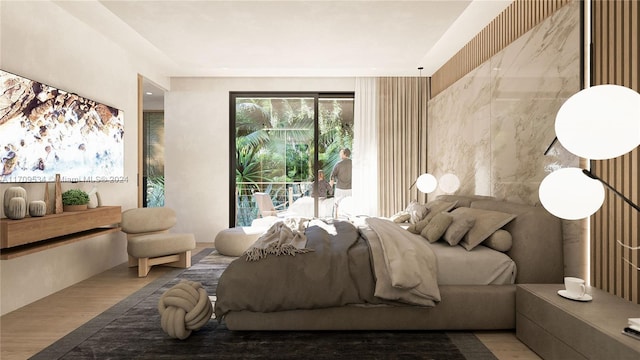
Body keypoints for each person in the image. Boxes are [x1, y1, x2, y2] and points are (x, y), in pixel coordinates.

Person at [330, 148, 352, 217]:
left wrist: (330, 188)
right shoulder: (353, 163)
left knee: (337, 205)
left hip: (340, 189)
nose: (340, 154)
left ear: (345, 154)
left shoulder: (338, 164)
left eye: (341, 153)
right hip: (350, 189)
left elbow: (332, 177)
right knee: (349, 205)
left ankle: (336, 219)